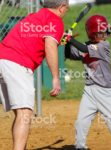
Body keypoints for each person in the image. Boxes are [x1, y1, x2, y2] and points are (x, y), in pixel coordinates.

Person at [0, 0, 69, 150]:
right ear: (61, 7)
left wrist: (57, 38)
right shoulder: (55, 21)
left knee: (21, 113)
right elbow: (49, 45)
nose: (67, 11)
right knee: (25, 112)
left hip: (2, 58)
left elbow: (40, 37)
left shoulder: (34, 16)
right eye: (67, 8)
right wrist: (56, 77)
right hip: (17, 63)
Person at [64, 15, 111, 150]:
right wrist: (67, 43)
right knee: (81, 122)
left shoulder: (104, 45)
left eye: (105, 31)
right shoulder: (87, 45)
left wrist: (71, 38)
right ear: (92, 33)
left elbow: (83, 49)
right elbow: (69, 55)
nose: (104, 34)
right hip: (89, 91)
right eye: (100, 32)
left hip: (105, 91)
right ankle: (80, 147)